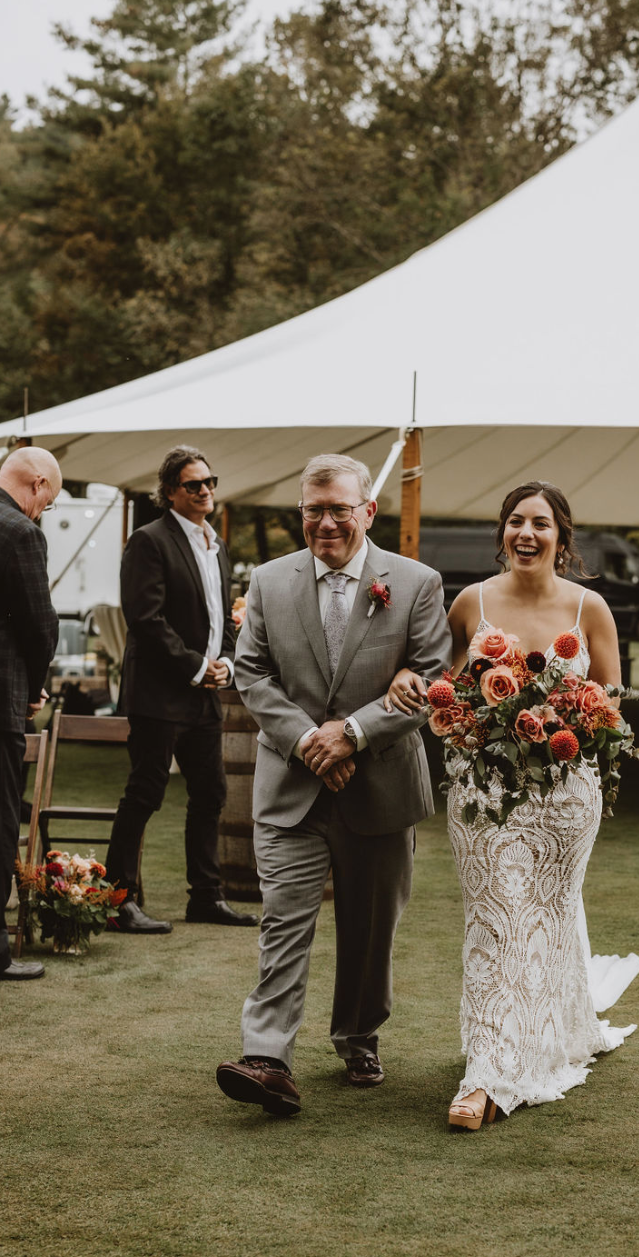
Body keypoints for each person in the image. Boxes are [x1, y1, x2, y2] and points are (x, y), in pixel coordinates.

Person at [387, 481, 639, 1129]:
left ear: (561, 537)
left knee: (548, 918)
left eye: (541, 523)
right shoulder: (471, 602)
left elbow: (612, 704)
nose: (527, 534)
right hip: (484, 793)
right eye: (516, 522)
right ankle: (490, 1072)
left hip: (565, 795)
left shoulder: (590, 608)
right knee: (496, 920)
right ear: (502, 532)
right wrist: (424, 687)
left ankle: (546, 1035)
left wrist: (573, 715)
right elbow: (441, 683)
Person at [215, 453, 452, 1117]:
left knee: (371, 931)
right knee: (282, 923)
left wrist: (351, 734)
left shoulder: (416, 583)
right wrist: (308, 742)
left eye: (338, 510)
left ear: (367, 512)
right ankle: (266, 1057)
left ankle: (358, 1035)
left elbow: (433, 676)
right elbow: (252, 673)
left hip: (380, 788)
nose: (325, 523)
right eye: (313, 510)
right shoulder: (269, 581)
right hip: (291, 786)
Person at [105, 445, 257, 933]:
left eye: (210, 482)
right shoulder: (148, 541)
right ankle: (118, 901)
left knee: (211, 793)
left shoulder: (217, 544)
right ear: (170, 492)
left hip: (204, 693)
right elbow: (145, 619)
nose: (206, 491)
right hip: (159, 692)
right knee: (145, 792)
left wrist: (226, 663)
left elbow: (223, 616)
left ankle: (205, 898)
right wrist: (196, 667)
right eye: (194, 484)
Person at [0, 448, 62, 982]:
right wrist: (34, 686)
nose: (43, 511)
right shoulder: (20, 532)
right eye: (49, 502)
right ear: (37, 483)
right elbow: (39, 624)